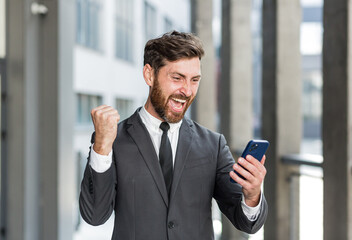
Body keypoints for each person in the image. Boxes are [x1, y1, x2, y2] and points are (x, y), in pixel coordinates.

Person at [79, 31, 268, 240]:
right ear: (149, 75)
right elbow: (94, 216)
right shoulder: (114, 141)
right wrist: (102, 147)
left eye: (194, 80)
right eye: (177, 78)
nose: (186, 91)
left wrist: (252, 195)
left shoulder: (213, 145)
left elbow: (246, 223)